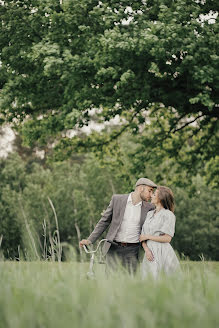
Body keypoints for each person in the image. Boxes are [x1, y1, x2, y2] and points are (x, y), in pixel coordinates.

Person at [79, 177, 157, 273]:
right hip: (113, 248)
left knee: (130, 282)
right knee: (111, 282)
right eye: (150, 191)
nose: (151, 195)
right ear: (141, 188)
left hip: (133, 250)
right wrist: (90, 240)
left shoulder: (150, 207)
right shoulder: (117, 199)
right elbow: (104, 221)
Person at [140, 186, 180, 279]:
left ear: (160, 198)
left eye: (154, 194)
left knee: (164, 281)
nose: (151, 195)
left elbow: (167, 238)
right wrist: (146, 250)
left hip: (162, 252)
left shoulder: (168, 215)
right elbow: (142, 237)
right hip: (149, 253)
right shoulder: (149, 214)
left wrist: (148, 236)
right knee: (148, 281)